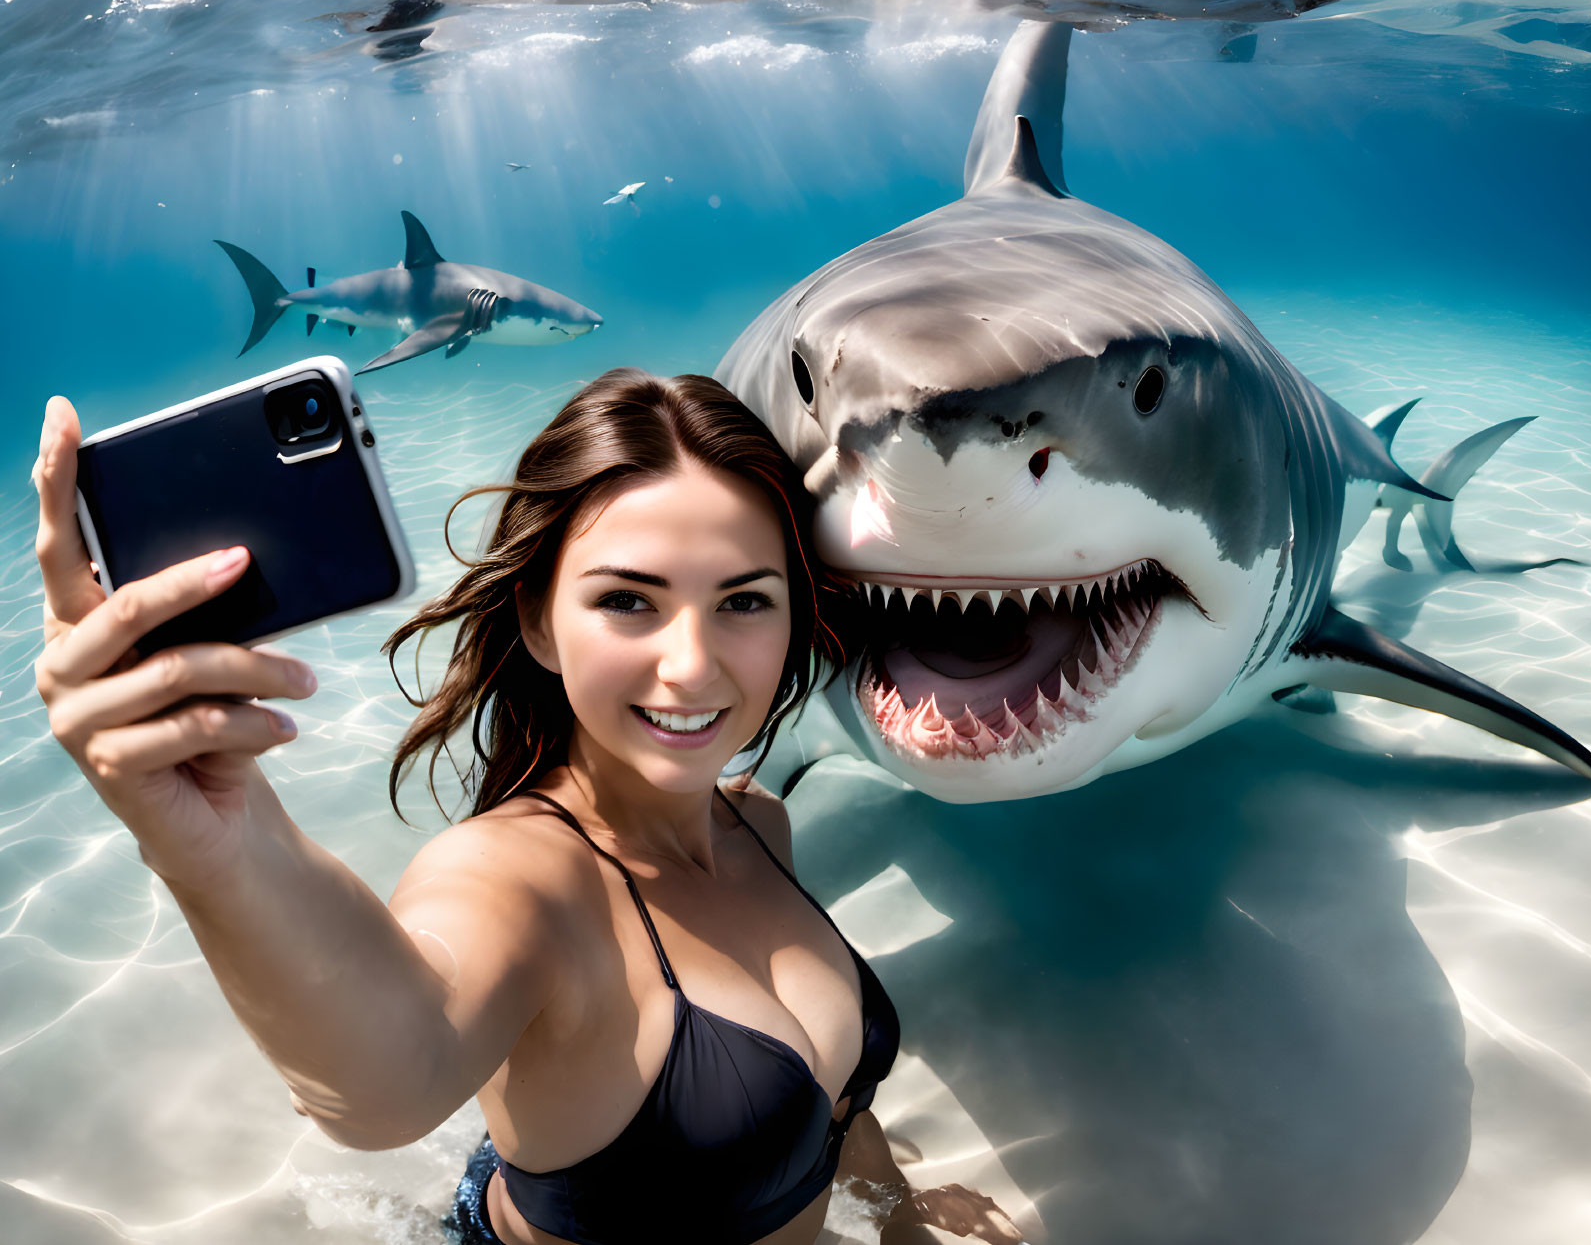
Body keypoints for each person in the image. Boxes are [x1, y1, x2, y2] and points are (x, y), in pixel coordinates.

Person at [32, 369, 1025, 1245]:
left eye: (743, 600)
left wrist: (895, 1215)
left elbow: (833, 1102)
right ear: (538, 624)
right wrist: (218, 846)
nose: (690, 666)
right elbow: (386, 1079)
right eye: (627, 601)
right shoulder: (518, 877)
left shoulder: (757, 821)